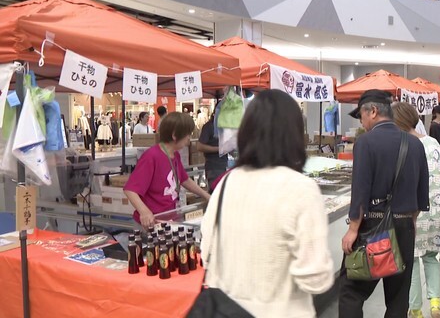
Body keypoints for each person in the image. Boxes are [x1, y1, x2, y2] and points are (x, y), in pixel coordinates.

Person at [199, 89, 334, 317]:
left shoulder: (225, 184)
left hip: (225, 310)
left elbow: (206, 254)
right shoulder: (300, 189)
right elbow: (315, 278)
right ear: (294, 134)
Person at [339, 89, 429, 318]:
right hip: (404, 227)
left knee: (351, 291)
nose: (362, 121)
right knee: (398, 298)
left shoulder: (365, 143)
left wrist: (352, 230)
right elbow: (421, 193)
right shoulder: (416, 144)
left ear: (373, 111)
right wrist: (411, 222)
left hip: (372, 229)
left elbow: (360, 190)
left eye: (361, 115)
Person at [392, 102, 440, 318]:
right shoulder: (432, 144)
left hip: (413, 211)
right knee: (431, 258)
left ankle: (416, 310)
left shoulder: (401, 145)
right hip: (435, 210)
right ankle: (436, 304)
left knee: (410, 261)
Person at [124, 112, 211, 228]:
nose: (189, 139)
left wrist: (206, 195)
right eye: (187, 135)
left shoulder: (175, 155)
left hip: (168, 218)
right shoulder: (151, 156)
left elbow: (184, 179)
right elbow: (130, 190)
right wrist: (144, 212)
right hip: (151, 223)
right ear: (175, 135)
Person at [197, 112, 228, 191]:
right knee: (216, 192)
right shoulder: (209, 126)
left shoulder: (225, 126)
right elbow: (200, 146)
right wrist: (219, 149)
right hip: (213, 167)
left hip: (224, 165)